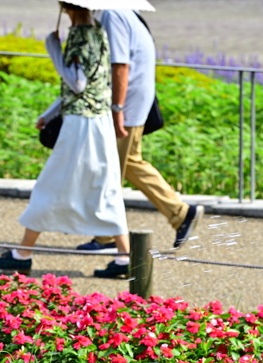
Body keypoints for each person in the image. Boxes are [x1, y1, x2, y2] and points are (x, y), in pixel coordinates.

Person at [0, 2, 131, 279]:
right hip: (98, 121)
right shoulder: (99, 31)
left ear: (67, 7)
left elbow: (76, 84)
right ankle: (124, 258)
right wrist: (50, 113)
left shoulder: (79, 35)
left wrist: (53, 50)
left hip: (80, 126)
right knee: (104, 188)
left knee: (50, 185)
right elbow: (88, 86)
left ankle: (22, 255)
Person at [76, 9, 204, 254]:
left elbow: (120, 64)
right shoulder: (126, 13)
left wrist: (116, 109)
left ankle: (106, 238)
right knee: (129, 162)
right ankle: (180, 213)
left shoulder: (113, 15)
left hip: (125, 105)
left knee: (106, 169)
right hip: (134, 103)